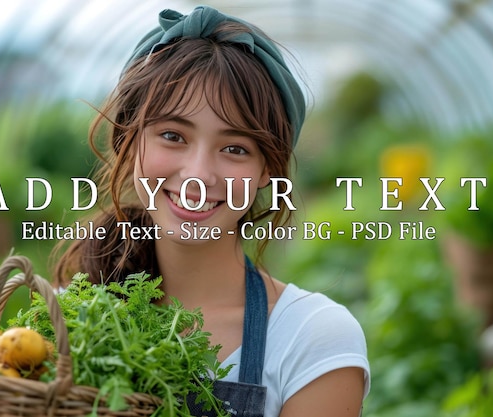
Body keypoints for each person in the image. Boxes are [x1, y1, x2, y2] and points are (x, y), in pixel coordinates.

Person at [53, 5, 370, 417]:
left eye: (234, 148)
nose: (199, 175)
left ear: (266, 172)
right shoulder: (69, 317)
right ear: (130, 146)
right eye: (172, 135)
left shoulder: (311, 338)